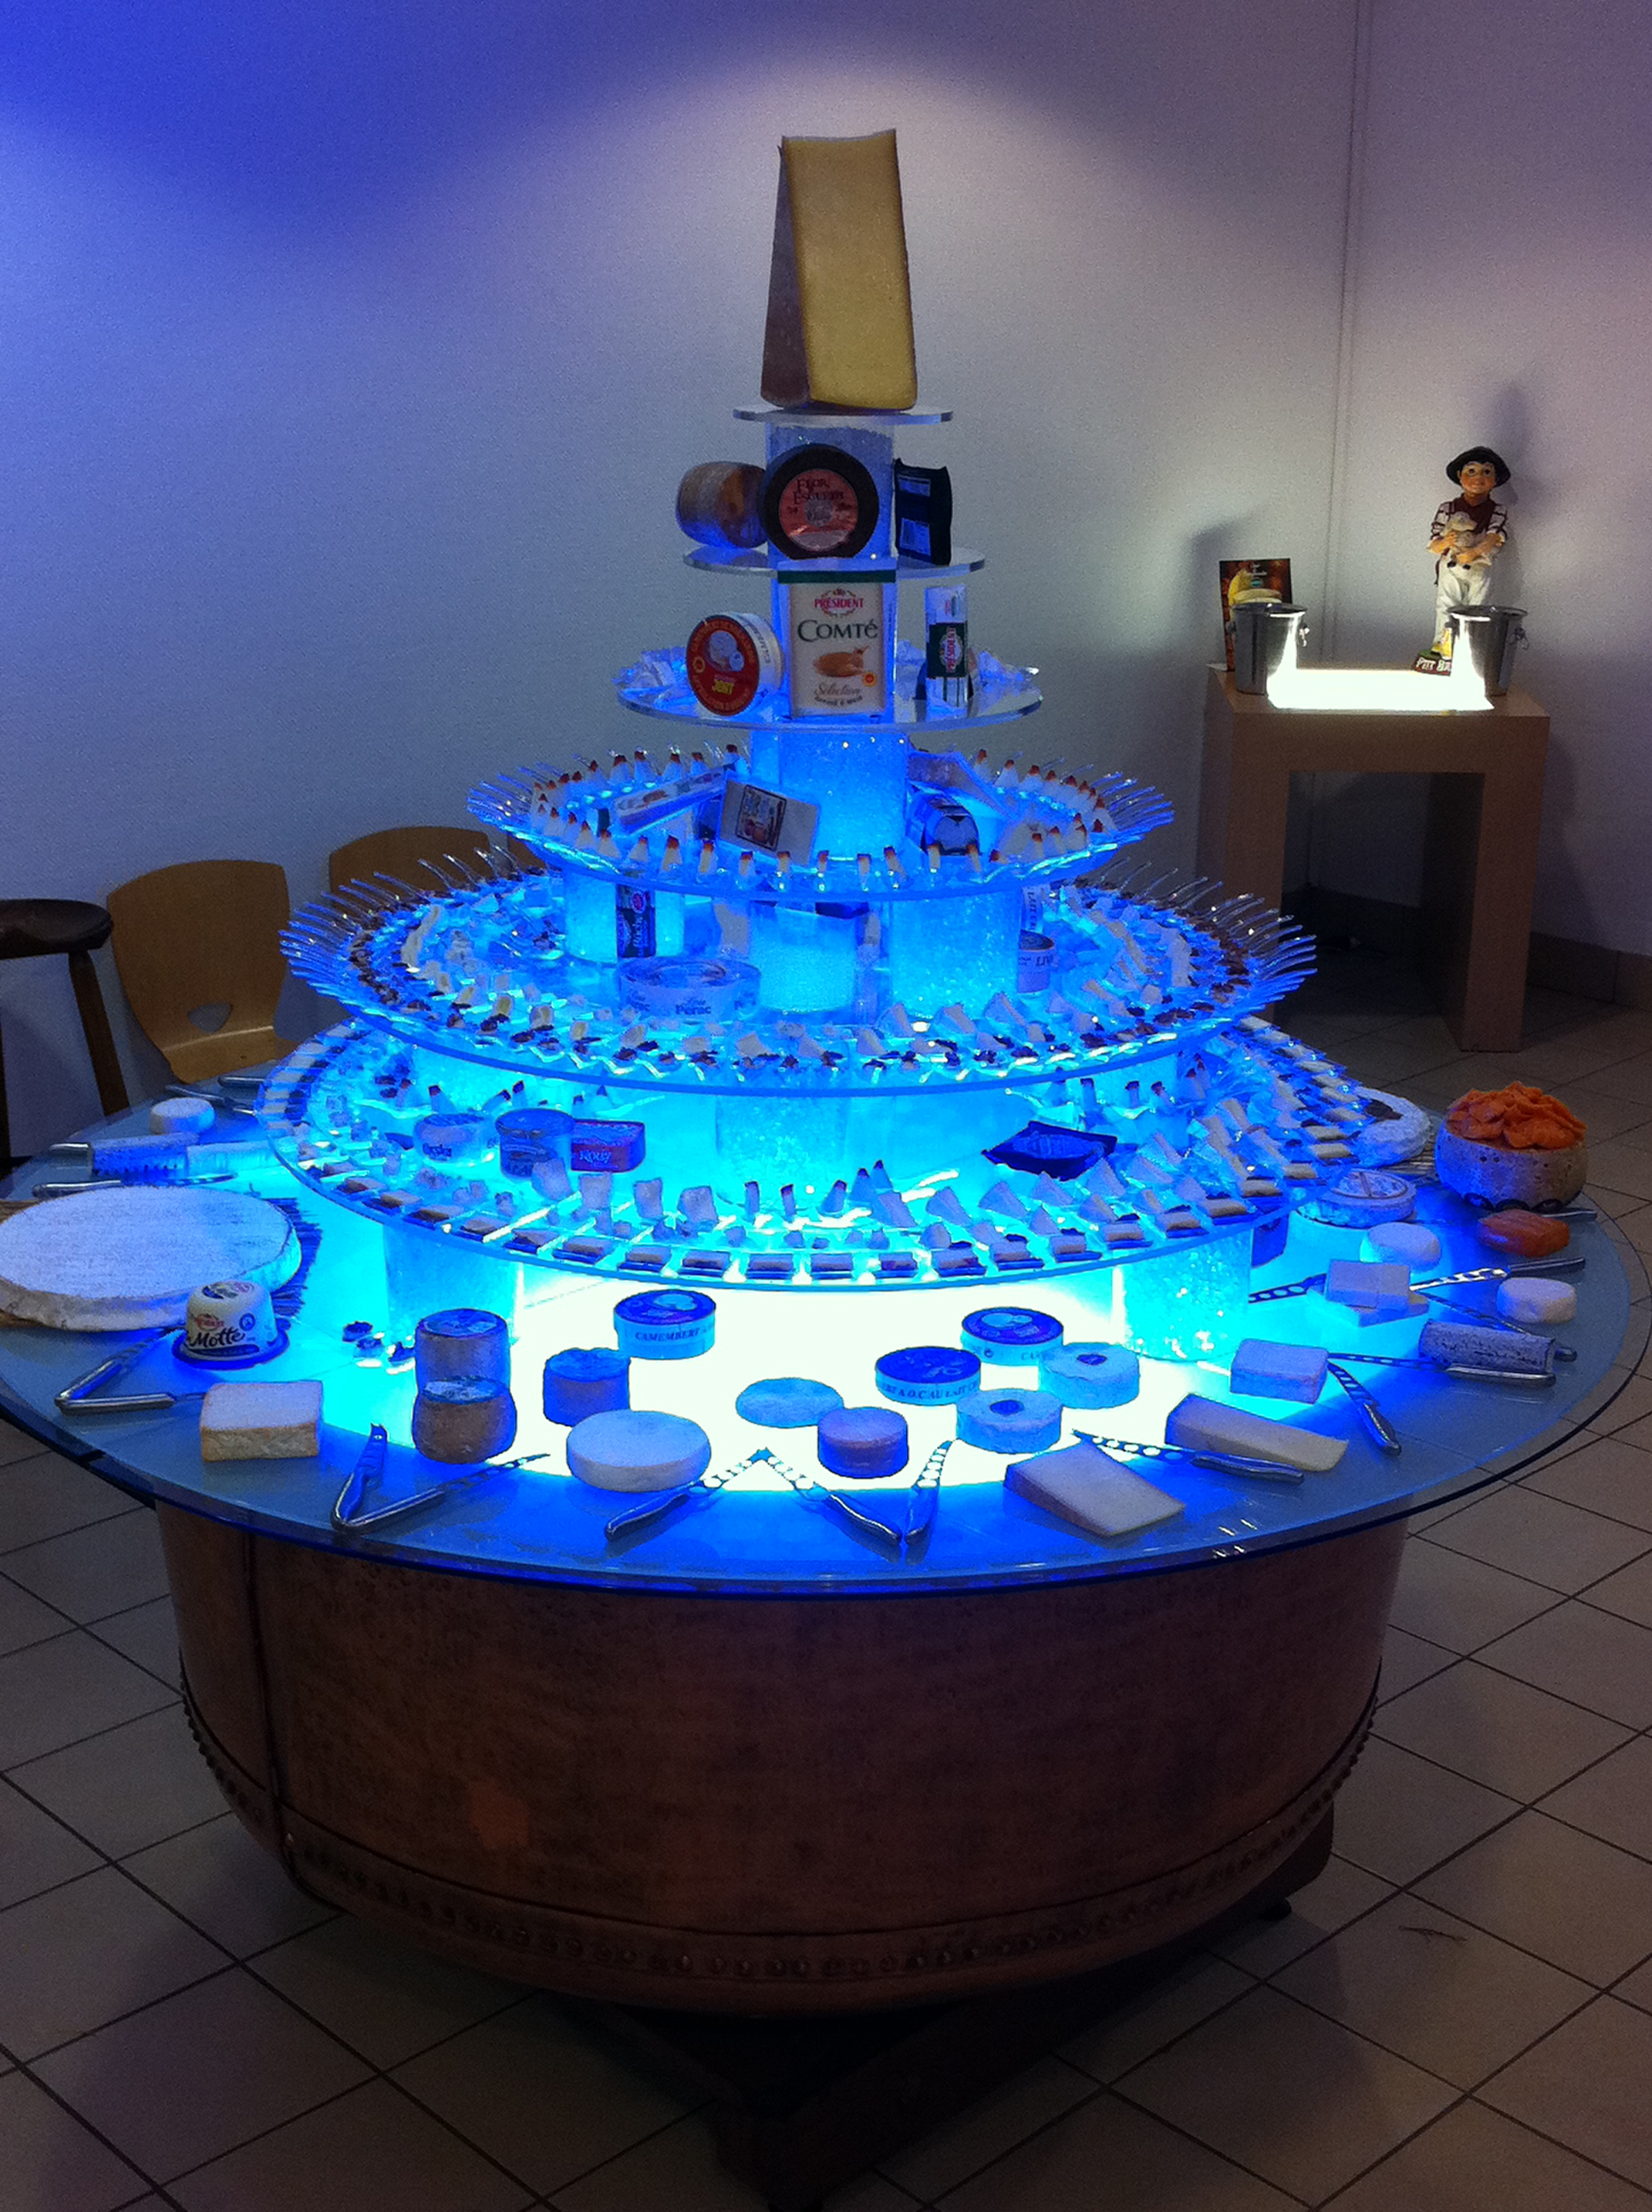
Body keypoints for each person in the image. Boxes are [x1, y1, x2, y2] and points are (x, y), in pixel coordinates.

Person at [1416, 445, 1510, 669]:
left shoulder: (1497, 510)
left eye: (1486, 472)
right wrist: (1445, 542)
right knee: (1447, 604)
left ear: (1495, 479)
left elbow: (1494, 537)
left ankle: (1472, 649)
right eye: (1471, 471)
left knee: (1477, 607)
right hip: (1451, 565)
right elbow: (1434, 543)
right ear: (1460, 476)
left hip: (1479, 567)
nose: (1478, 478)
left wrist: (1474, 553)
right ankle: (1444, 645)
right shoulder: (1447, 508)